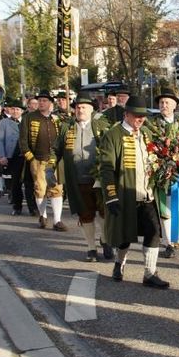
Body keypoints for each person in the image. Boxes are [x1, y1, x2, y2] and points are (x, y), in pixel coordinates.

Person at [100, 95, 170, 289]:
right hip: (124, 194)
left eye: (143, 116)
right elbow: (106, 169)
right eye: (137, 115)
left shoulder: (146, 133)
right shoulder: (113, 135)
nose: (141, 119)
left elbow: (157, 158)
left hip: (146, 194)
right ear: (126, 114)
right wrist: (111, 196)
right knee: (125, 236)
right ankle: (119, 263)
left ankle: (150, 273)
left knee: (154, 231)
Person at [55, 94, 113, 261]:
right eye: (78, 107)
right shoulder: (67, 127)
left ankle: (105, 239)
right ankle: (91, 248)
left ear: (91, 109)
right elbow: (56, 149)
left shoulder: (102, 125)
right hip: (77, 180)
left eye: (84, 107)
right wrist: (51, 167)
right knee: (85, 214)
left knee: (104, 213)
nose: (80, 110)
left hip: (99, 178)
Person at [146, 91, 179, 259]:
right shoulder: (151, 124)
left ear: (175, 105)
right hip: (160, 171)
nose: (164, 105)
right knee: (164, 207)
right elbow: (148, 145)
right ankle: (169, 243)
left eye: (167, 102)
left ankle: (178, 236)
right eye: (161, 103)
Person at [19, 90, 68, 230]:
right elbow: (23, 139)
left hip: (55, 160)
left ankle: (57, 220)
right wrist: (30, 157)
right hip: (38, 159)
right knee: (40, 189)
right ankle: (43, 215)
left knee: (57, 189)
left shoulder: (57, 118)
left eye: (44, 100)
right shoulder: (28, 117)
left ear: (50, 104)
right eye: (40, 100)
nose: (41, 103)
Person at [0, 99, 27, 215]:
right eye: (13, 109)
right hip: (13, 156)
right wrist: (2, 156)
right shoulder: (4, 122)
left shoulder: (26, 121)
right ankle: (17, 206)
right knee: (15, 182)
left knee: (29, 183)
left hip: (26, 156)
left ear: (22, 111)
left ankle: (33, 206)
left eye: (18, 109)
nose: (15, 111)